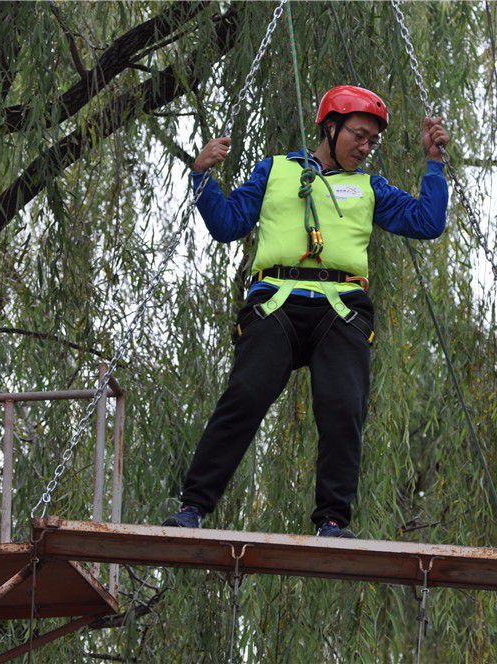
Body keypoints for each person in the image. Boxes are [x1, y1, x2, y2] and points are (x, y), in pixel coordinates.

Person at [164, 85, 449, 538]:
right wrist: (201, 176)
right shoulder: (275, 170)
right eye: (358, 135)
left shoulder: (369, 187)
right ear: (330, 128)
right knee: (244, 397)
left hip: (341, 309)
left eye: (372, 141)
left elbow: (427, 222)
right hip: (276, 301)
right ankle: (193, 507)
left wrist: (434, 164)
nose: (365, 147)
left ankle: (333, 520)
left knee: (343, 408)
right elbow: (227, 224)